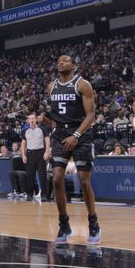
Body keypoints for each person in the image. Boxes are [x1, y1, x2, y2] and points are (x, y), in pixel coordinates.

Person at [46, 55, 100, 245]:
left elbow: (91, 114)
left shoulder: (82, 84)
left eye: (65, 61)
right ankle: (64, 224)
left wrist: (76, 135)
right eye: (59, 61)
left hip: (81, 135)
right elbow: (53, 113)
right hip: (60, 136)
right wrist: (54, 130)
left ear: (73, 65)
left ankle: (93, 222)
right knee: (57, 179)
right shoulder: (51, 86)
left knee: (84, 182)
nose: (60, 63)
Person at [21, 113, 51, 201]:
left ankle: (44, 195)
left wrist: (47, 151)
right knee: (30, 175)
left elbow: (47, 139)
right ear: (28, 121)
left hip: (40, 153)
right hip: (30, 154)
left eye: (33, 118)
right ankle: (29, 194)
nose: (32, 120)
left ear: (36, 120)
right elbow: (23, 143)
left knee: (42, 175)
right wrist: (23, 155)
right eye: (30, 119)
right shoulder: (25, 130)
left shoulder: (42, 128)